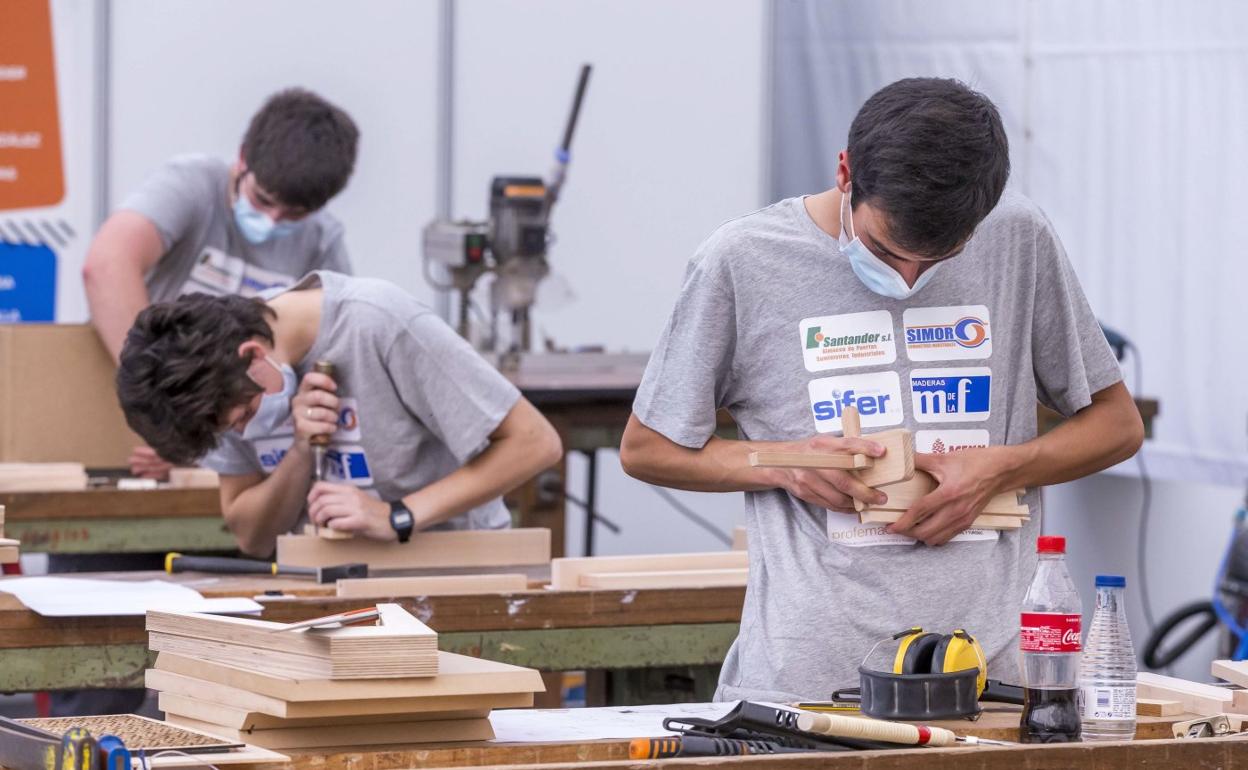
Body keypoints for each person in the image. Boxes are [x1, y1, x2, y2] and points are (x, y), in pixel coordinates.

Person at [619, 78, 1144, 702]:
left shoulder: (1018, 236)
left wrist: (1000, 469)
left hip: (994, 680)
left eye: (939, 258)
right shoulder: (743, 260)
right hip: (810, 681)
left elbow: (1117, 424)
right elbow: (647, 448)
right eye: (886, 250)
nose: (909, 278)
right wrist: (786, 468)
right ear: (846, 172)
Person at [117, 271, 563, 556]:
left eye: (244, 415)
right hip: (332, 590)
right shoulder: (216, 376)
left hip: (457, 571)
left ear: (253, 354)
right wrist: (299, 450)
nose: (244, 430)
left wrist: (396, 517)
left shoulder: (375, 322)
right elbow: (252, 538)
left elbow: (534, 442)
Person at [83, 87, 359, 479]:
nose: (272, 220)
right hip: (155, 433)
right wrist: (169, 416)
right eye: (262, 200)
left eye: (293, 215)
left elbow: (330, 357)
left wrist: (208, 443)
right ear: (243, 157)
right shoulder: (193, 185)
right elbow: (106, 267)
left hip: (241, 449)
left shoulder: (323, 240)